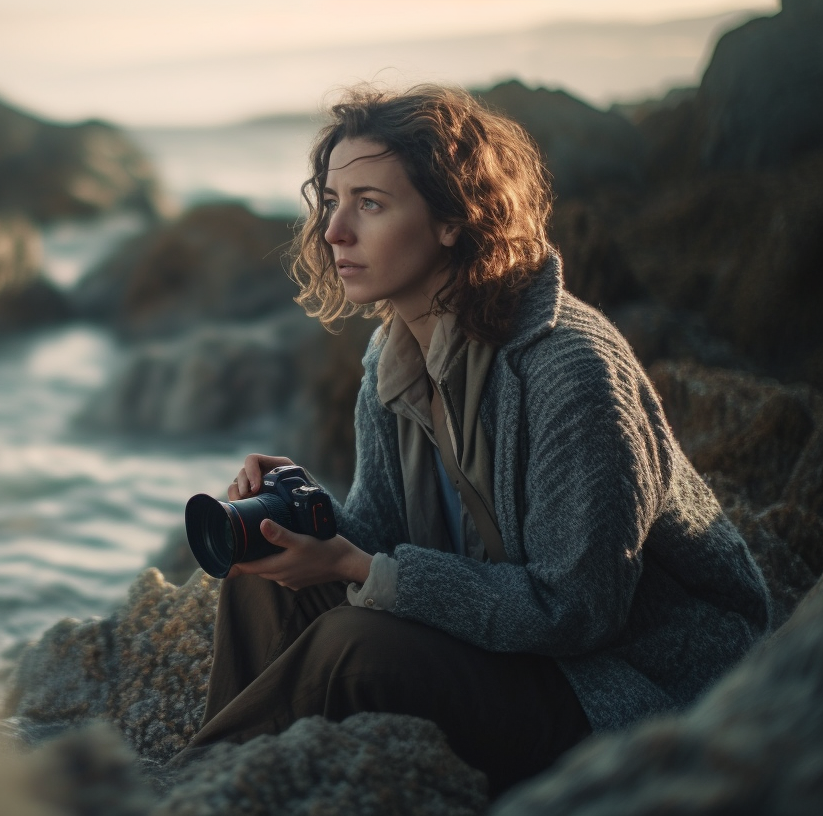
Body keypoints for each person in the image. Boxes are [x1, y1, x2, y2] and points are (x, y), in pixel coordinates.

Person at [178, 85, 771, 796]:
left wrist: (361, 567)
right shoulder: (393, 356)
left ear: (453, 219)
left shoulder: (570, 371)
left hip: (627, 686)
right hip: (506, 646)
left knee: (350, 648)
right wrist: (305, 516)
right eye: (331, 201)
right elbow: (386, 539)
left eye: (370, 204)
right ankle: (230, 781)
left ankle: (206, 789)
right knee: (259, 578)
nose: (334, 231)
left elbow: (578, 611)